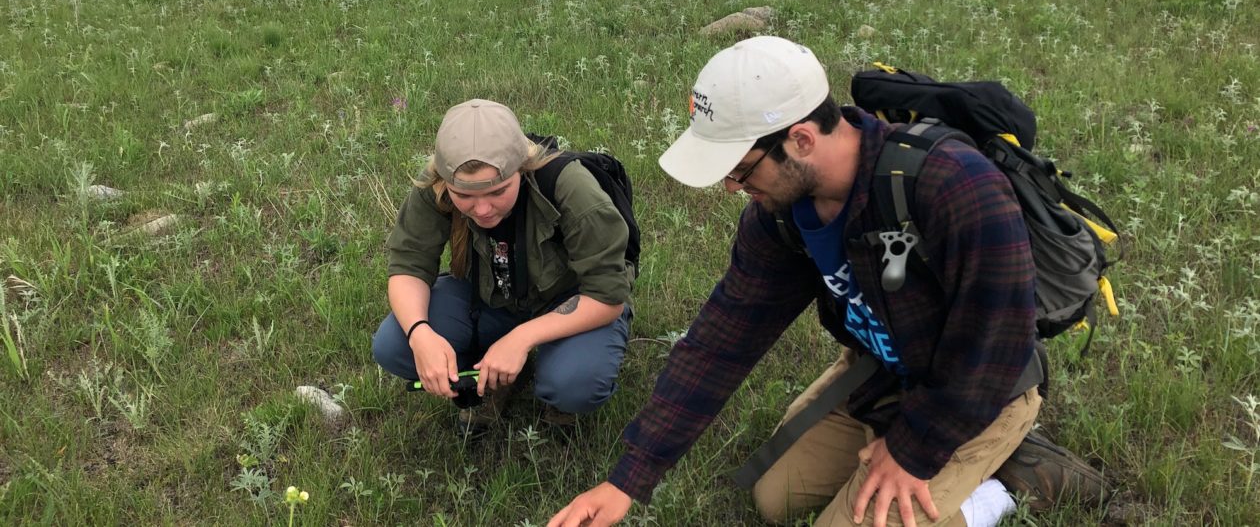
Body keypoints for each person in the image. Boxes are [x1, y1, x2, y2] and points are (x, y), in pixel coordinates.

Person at [549, 37, 1105, 527]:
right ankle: (926, 456)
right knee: (774, 498)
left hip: (981, 386)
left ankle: (1001, 485)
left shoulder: (954, 185)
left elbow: (998, 344)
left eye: (741, 171)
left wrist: (913, 450)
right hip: (879, 373)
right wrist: (630, 479)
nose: (732, 189)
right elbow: (722, 340)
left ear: (802, 140)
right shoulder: (780, 214)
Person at [372, 99, 635, 433]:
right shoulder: (436, 183)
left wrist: (522, 338)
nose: (481, 210)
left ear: (521, 169)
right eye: (463, 196)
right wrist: (420, 333)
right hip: (490, 298)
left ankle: (544, 379)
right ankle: (485, 378)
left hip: (570, 302)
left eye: (498, 191)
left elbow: (607, 296)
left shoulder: (571, 187)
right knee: (395, 346)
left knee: (575, 384)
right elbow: (408, 265)